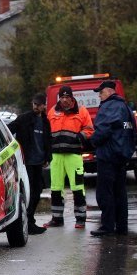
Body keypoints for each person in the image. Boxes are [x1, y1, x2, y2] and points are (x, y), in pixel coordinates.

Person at [88, 80, 136, 237]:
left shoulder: (108, 106)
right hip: (121, 156)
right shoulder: (125, 107)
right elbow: (132, 133)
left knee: (105, 193)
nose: (99, 97)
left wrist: (92, 141)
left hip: (108, 156)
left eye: (100, 93)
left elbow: (103, 130)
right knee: (120, 193)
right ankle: (122, 227)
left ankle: (107, 226)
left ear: (108, 92)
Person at [45, 85, 94, 229]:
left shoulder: (82, 111)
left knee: (78, 187)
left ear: (72, 98)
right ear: (59, 98)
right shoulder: (52, 112)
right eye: (62, 97)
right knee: (55, 187)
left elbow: (90, 130)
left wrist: (79, 138)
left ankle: (80, 219)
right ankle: (57, 219)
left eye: (67, 97)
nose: (65, 100)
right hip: (56, 156)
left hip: (73, 155)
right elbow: (47, 132)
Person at [7, 92, 51, 235]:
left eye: (39, 104)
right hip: (27, 163)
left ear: (44, 105)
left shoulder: (45, 121)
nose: (36, 107)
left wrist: (47, 157)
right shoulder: (24, 119)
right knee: (30, 191)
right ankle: (28, 221)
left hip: (39, 162)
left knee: (37, 190)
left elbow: (47, 140)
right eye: (34, 104)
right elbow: (8, 130)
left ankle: (30, 219)